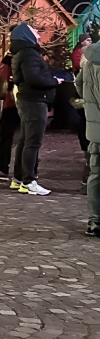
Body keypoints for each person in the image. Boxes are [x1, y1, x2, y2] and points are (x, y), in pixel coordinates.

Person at [10, 23, 57, 196]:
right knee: (32, 142)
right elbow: (34, 78)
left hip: (27, 100)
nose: (38, 33)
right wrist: (54, 81)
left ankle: (19, 178)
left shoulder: (22, 53)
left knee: (25, 140)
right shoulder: (29, 54)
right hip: (34, 101)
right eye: (34, 31)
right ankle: (28, 181)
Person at [76, 39, 100, 236]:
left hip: (95, 131)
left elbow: (79, 84)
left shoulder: (90, 59)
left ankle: (95, 221)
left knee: (96, 174)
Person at [0, 55, 20, 178]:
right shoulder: (30, 56)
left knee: (7, 136)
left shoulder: (11, 59)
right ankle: (25, 171)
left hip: (15, 103)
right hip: (18, 103)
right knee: (24, 139)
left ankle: (3, 167)